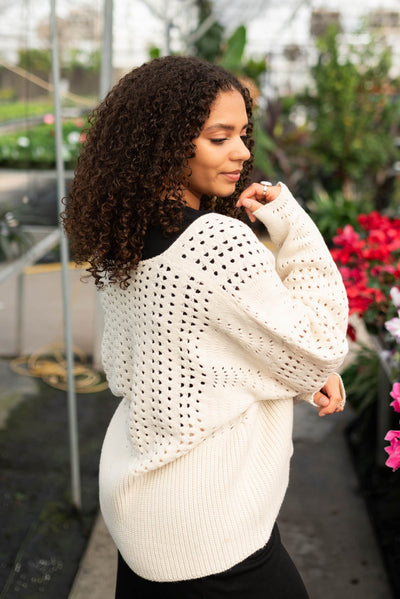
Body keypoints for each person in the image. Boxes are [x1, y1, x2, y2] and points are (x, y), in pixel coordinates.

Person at [63, 55, 348, 598]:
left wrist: (292, 370)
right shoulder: (214, 243)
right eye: (220, 138)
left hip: (147, 525)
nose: (242, 152)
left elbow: (182, 355)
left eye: (243, 133)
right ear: (165, 145)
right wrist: (295, 226)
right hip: (212, 539)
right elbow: (324, 345)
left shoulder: (128, 236)